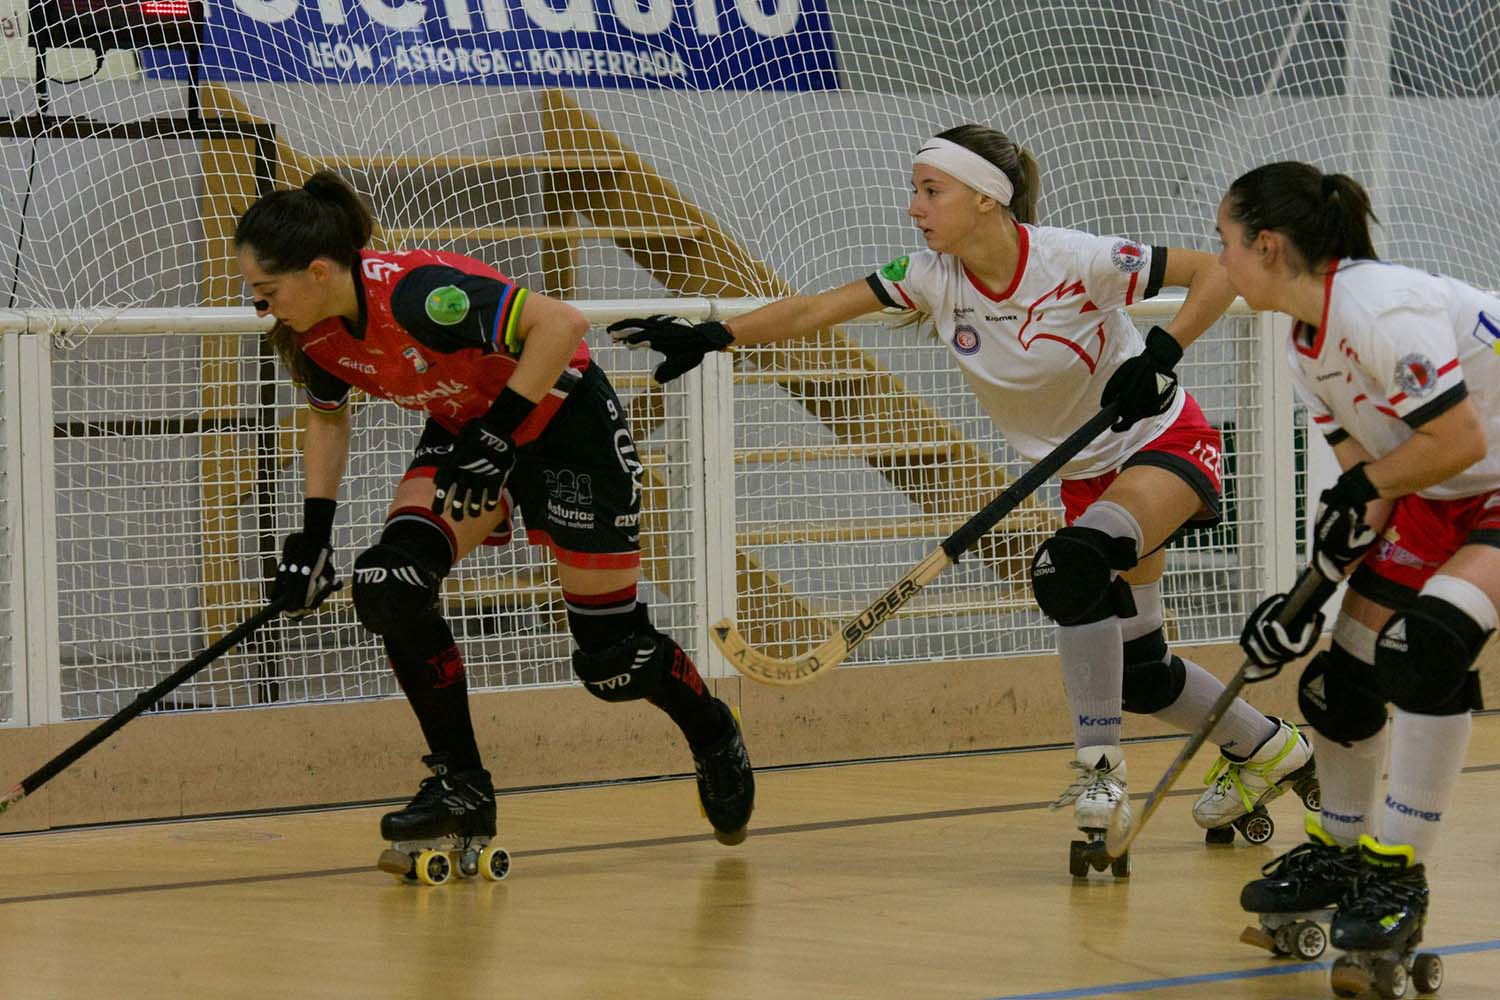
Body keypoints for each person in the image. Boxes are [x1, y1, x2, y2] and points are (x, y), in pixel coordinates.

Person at [608, 124, 1313, 875]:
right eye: (915, 189)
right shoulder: (930, 275)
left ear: (986, 199)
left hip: (1161, 445)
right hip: (1083, 476)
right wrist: (716, 335)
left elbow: (1218, 273)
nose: (914, 206)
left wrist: (1164, 352)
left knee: (1070, 568)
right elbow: (813, 311)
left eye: (929, 190)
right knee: (1141, 672)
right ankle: (1269, 749)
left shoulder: (1075, 259)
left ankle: (1100, 776)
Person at [233, 170, 756, 878]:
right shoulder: (317, 333)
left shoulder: (422, 296)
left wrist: (501, 434)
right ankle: (462, 783)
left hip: (564, 428)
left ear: (319, 271)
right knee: (389, 582)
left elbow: (562, 325)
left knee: (611, 660)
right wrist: (313, 537)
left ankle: (712, 730)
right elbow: (328, 420)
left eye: (266, 293)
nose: (260, 308)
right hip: (472, 433)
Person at [1224, 161, 1494, 991]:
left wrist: (1360, 495)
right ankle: (1342, 854)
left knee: (1425, 649)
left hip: (1482, 477)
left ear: (1267, 246)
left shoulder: (1381, 308)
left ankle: (1398, 871)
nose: (1221, 260)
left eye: (1225, 243)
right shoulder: (1307, 341)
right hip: (1437, 493)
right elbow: (1368, 493)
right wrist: (1304, 599)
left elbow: (1457, 443)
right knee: (1336, 684)